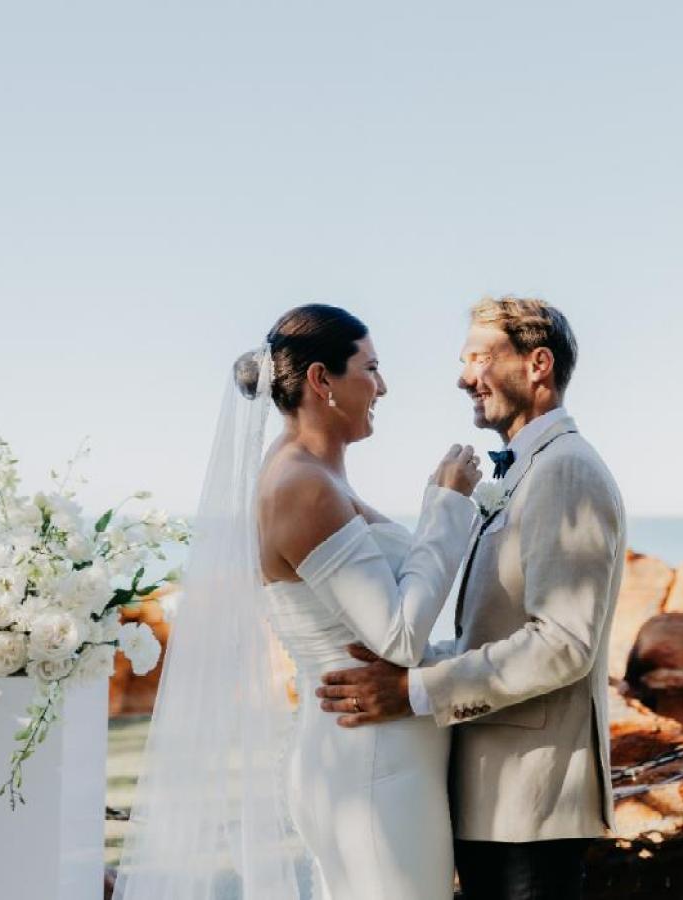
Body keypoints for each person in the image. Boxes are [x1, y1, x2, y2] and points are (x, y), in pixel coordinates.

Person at [115, 303, 481, 900]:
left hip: (371, 756)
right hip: (370, 765)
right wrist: (447, 505)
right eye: (371, 367)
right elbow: (397, 637)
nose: (382, 386)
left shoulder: (316, 477)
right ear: (320, 380)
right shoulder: (301, 486)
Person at [316, 296, 627, 900]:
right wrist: (410, 660)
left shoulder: (566, 470)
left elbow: (563, 644)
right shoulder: (524, 471)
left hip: (530, 802)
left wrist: (411, 693)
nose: (464, 378)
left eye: (480, 358)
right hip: (496, 797)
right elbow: (490, 630)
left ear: (538, 364)